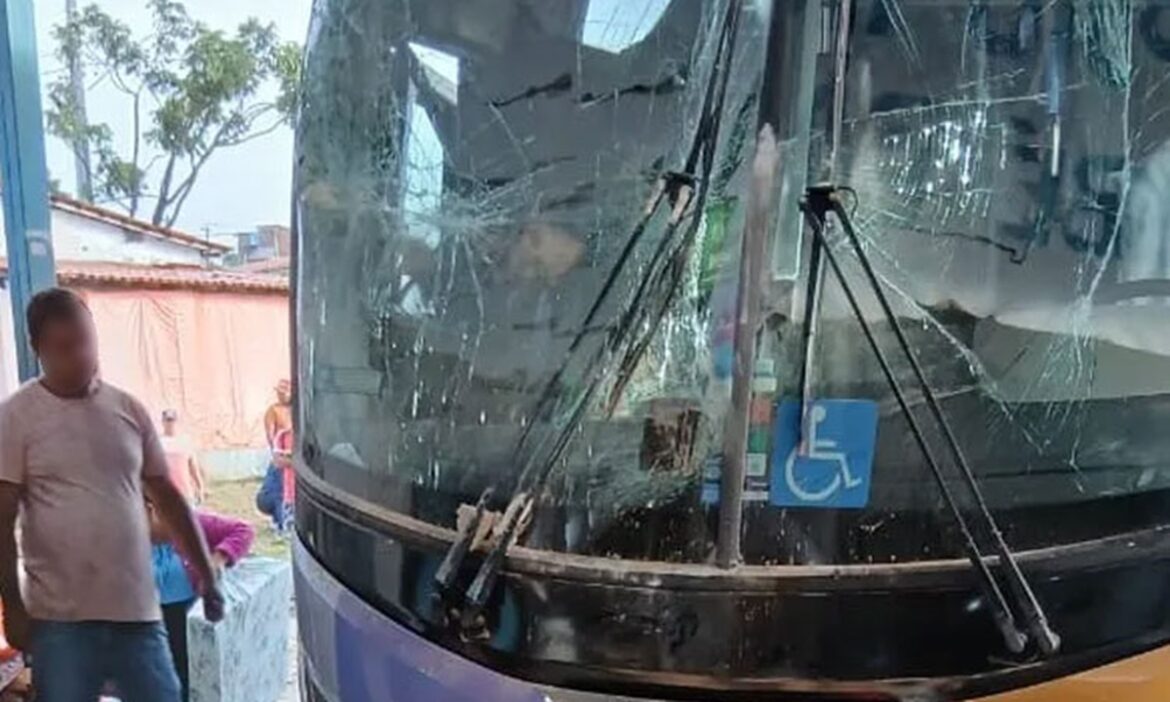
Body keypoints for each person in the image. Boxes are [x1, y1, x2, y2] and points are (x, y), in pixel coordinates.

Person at [0, 288, 224, 702]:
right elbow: (2, 517)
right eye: (64, 347)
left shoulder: (128, 410)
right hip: (60, 621)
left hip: (136, 615)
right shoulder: (16, 417)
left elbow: (168, 498)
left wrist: (207, 576)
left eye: (86, 340)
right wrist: (12, 604)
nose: (81, 355)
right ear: (38, 349)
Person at [148, 499, 254, 702]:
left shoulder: (191, 522)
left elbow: (243, 530)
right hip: (147, 617)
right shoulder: (123, 533)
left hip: (186, 615)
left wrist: (218, 558)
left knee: (187, 674)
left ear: (154, 509)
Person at [256, 380, 294, 531]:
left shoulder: (296, 409)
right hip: (282, 455)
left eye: (285, 391)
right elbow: (271, 435)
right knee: (278, 492)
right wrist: (277, 454)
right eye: (279, 392)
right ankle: (281, 522)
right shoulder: (273, 410)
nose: (281, 394)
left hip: (294, 455)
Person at [161, 409, 207, 504]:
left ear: (176, 422)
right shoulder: (158, 443)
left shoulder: (185, 442)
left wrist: (200, 488)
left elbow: (193, 467)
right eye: (167, 421)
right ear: (163, 422)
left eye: (172, 421)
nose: (170, 424)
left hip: (185, 493)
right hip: (165, 493)